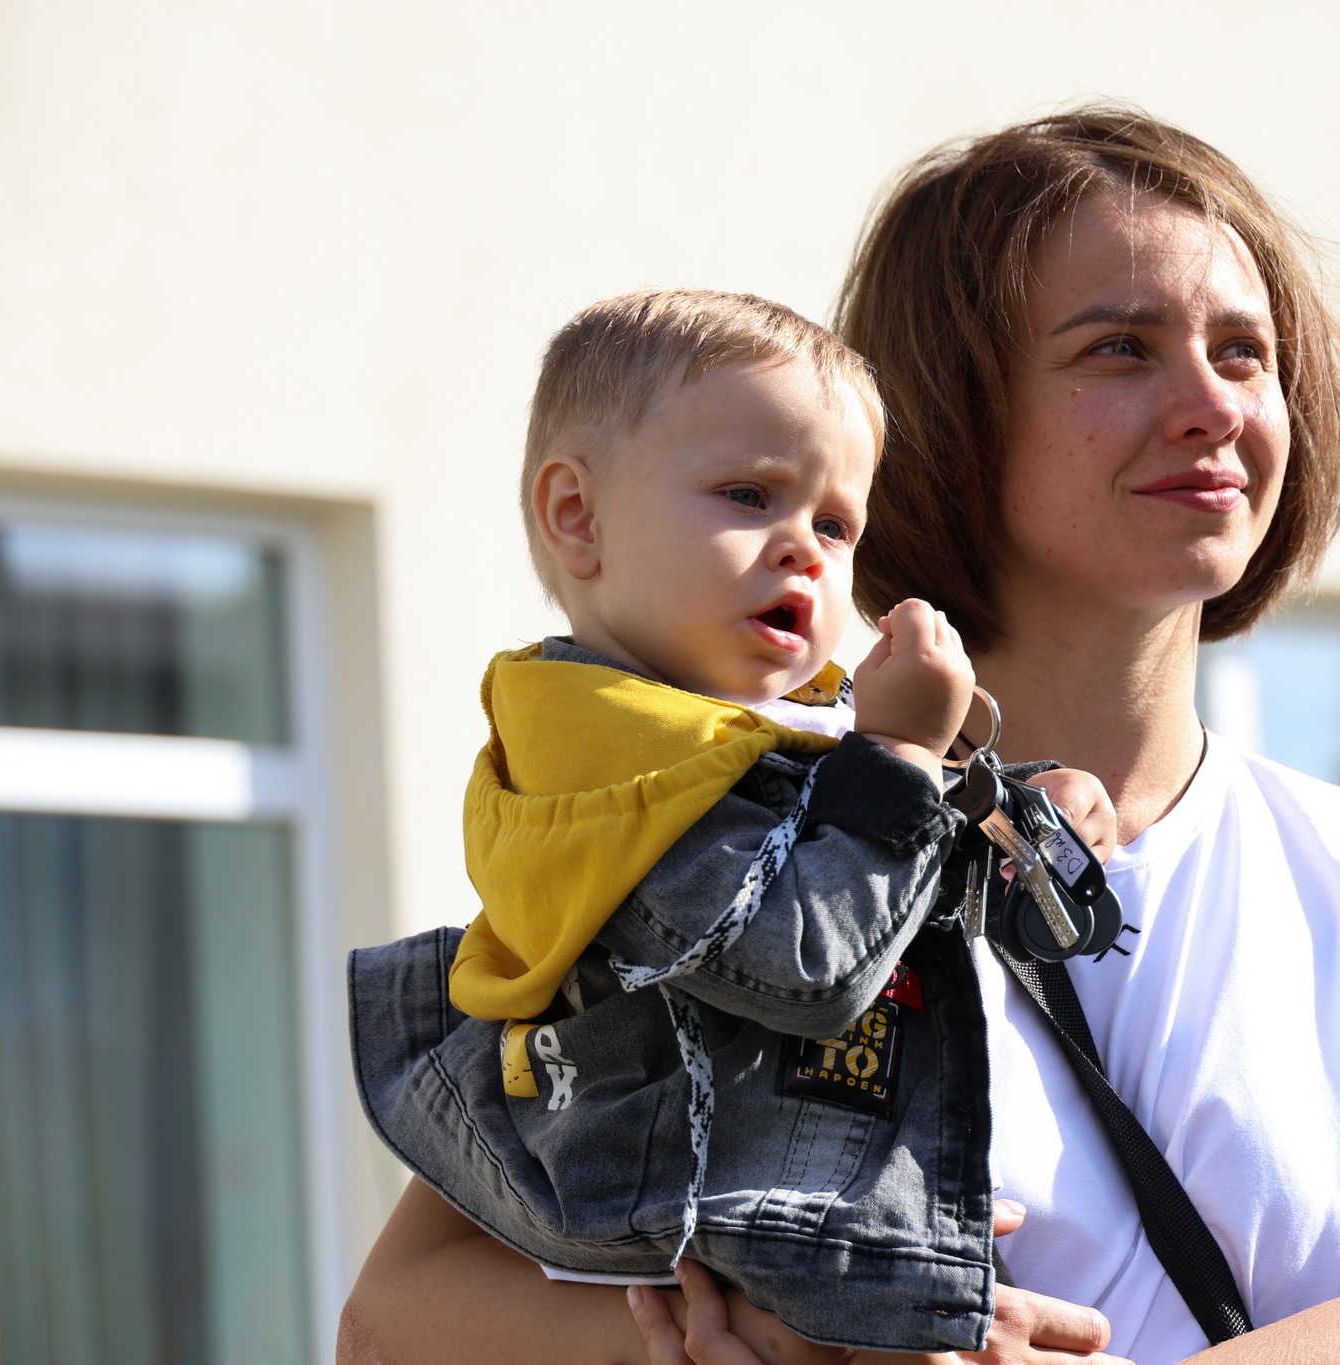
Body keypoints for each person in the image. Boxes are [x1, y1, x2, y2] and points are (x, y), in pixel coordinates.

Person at [340, 105, 1340, 1365]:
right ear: (951, 411)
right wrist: (783, 1343)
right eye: (1119, 349)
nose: (1210, 405)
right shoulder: (752, 822)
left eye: (1243, 354)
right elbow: (395, 1318)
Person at [346, 287, 1116, 1352]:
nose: (805, 548)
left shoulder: (760, 731)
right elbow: (805, 963)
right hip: (728, 1217)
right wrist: (900, 754)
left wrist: (1017, 814)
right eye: (749, 494)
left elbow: (888, 880)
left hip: (803, 1197)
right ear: (577, 516)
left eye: (836, 523)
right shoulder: (614, 767)